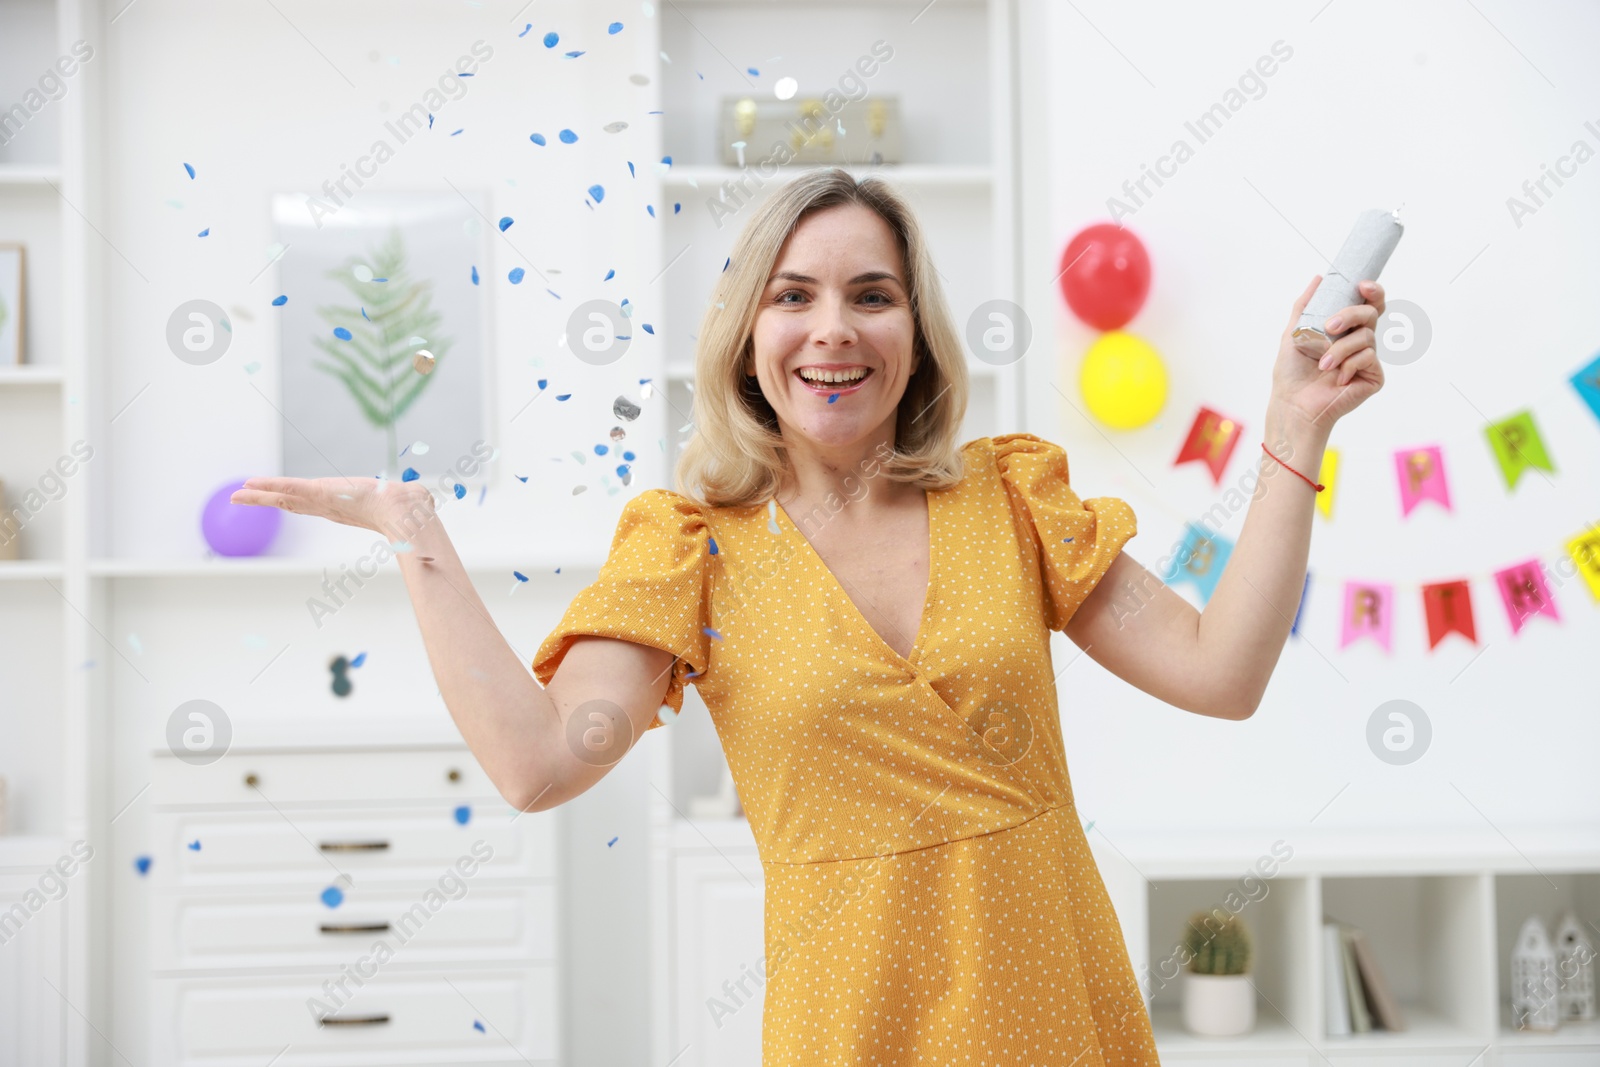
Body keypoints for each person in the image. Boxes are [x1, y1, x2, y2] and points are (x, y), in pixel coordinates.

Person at [231, 167, 1386, 1064]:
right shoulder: (690, 547)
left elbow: (1222, 671)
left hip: (1056, 1011)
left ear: (916, 333)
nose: (832, 327)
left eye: (870, 295)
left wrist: (1293, 427)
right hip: (854, 1026)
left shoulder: (1009, 497)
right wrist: (417, 537)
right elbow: (537, 762)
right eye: (794, 295)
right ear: (747, 335)